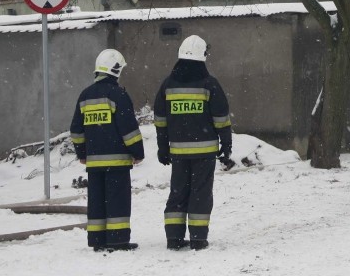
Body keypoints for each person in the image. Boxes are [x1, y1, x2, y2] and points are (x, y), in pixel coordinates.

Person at [154, 35, 231, 251]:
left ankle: (174, 239)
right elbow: (221, 119)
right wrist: (226, 146)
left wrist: (162, 147)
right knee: (201, 193)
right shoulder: (209, 84)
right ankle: (198, 238)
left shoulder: (168, 85)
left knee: (178, 193)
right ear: (202, 57)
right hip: (205, 152)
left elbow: (160, 120)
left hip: (178, 152)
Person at [69, 49, 144, 252]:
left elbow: (76, 130)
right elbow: (128, 128)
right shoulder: (118, 95)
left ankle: (97, 240)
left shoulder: (85, 96)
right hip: (117, 163)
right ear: (116, 70)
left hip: (94, 164)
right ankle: (118, 241)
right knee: (117, 201)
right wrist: (138, 152)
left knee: (97, 202)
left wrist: (82, 154)